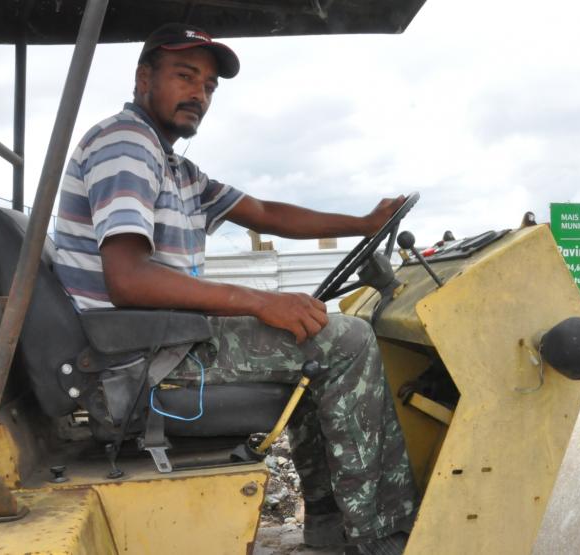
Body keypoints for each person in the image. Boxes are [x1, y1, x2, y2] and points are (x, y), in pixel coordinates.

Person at [53, 23, 418, 555]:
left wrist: (362, 223)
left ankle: (328, 529)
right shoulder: (126, 145)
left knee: (318, 336)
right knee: (350, 342)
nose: (198, 94)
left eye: (208, 86)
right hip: (142, 355)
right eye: (184, 76)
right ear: (143, 78)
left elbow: (266, 213)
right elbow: (128, 278)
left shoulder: (176, 166)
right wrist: (261, 300)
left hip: (164, 339)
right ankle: (380, 537)